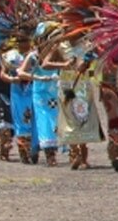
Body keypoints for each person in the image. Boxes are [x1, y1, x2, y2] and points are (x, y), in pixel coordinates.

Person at [43, 42, 104, 170]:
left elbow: (100, 56)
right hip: (67, 85)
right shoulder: (60, 45)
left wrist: (88, 63)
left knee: (83, 116)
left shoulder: (88, 44)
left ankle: (83, 156)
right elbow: (45, 63)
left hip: (83, 84)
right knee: (70, 119)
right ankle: (74, 153)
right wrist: (64, 65)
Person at [17, 28, 60, 166]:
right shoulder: (33, 56)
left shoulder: (57, 53)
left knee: (56, 121)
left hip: (55, 92)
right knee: (44, 121)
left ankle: (57, 150)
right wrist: (36, 77)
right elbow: (20, 72)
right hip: (40, 93)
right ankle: (49, 154)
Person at [2, 36, 37, 164]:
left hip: (33, 88)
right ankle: (24, 149)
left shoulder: (35, 54)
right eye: (20, 40)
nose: (23, 43)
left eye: (25, 40)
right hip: (17, 90)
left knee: (33, 117)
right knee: (20, 119)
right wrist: (11, 79)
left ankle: (34, 147)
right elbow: (3, 73)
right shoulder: (11, 56)